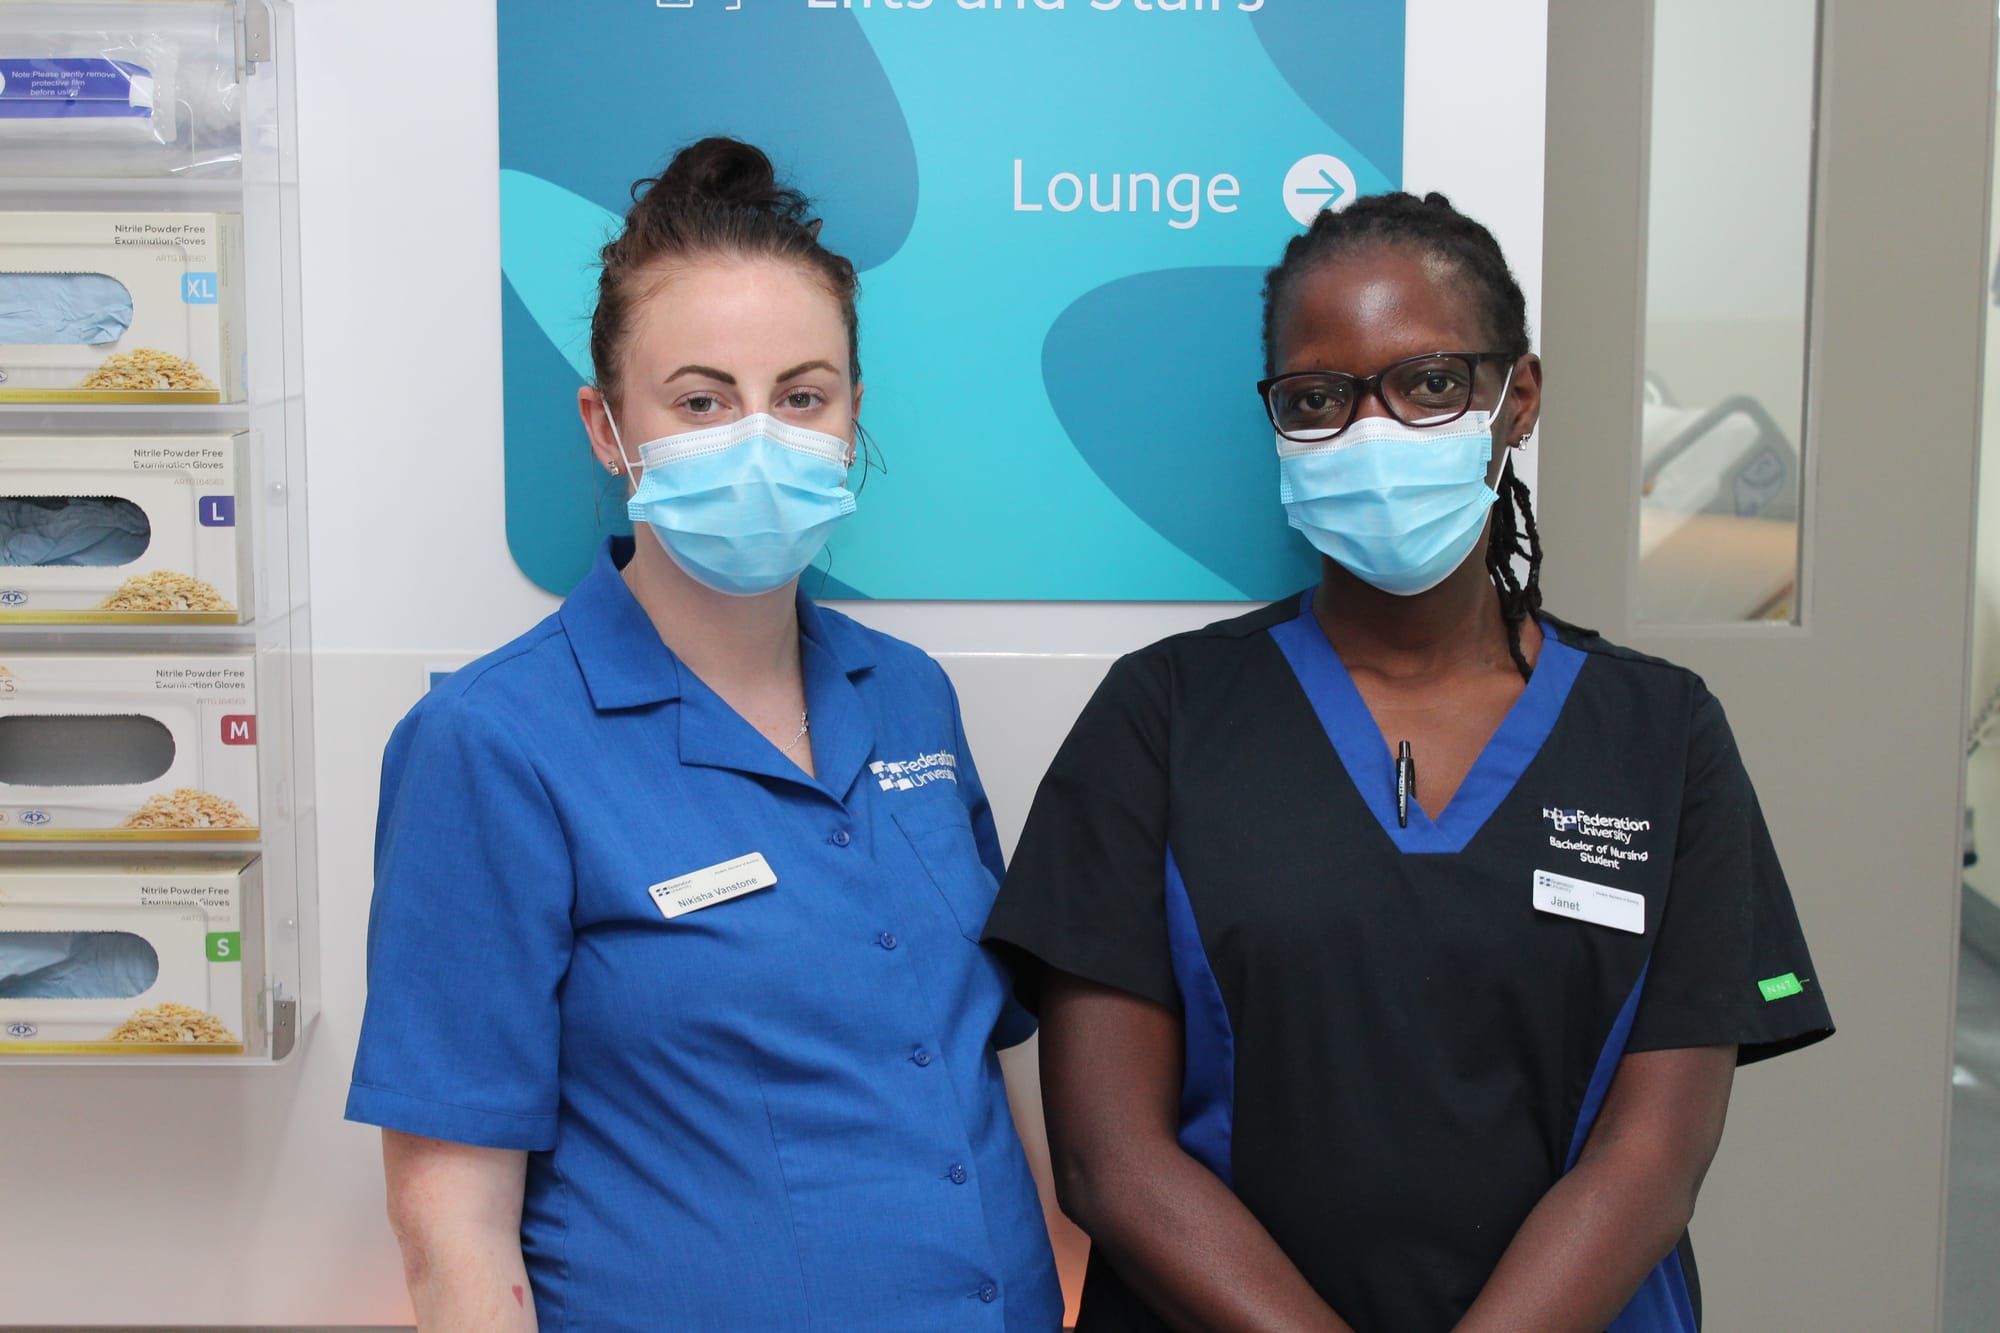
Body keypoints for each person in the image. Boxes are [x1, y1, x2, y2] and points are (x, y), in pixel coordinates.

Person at [983, 191, 1834, 1333]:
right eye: (1318, 397)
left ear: (1515, 398)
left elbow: (1651, 1158)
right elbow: (1109, 1161)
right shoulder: (1161, 716)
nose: (1371, 432)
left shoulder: (1660, 735)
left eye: (1430, 383)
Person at [345, 137, 1062, 1333]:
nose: (759, 437)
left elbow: (983, 1048)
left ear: (851, 417)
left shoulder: (907, 697)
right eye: (699, 400)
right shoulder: (491, 743)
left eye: (801, 396)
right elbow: (451, 1226)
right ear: (606, 426)